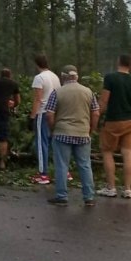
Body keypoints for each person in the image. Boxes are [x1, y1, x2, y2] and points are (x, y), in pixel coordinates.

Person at [44, 66, 99, 206]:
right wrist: (91, 129)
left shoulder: (57, 92)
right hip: (83, 133)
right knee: (85, 165)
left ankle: (62, 196)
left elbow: (49, 114)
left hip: (62, 133)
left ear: (63, 77)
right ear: (77, 76)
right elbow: (96, 112)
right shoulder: (88, 92)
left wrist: (53, 129)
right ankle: (89, 197)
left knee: (62, 165)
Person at [97, 53, 131, 199]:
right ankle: (127, 189)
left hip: (114, 120)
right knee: (127, 152)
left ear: (118, 62)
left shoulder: (110, 78)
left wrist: (96, 115)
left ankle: (111, 187)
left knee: (107, 152)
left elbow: (104, 101)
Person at [29, 53, 61, 184]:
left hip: (42, 112)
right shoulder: (55, 76)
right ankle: (63, 171)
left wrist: (32, 116)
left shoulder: (39, 78)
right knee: (54, 142)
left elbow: (38, 98)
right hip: (54, 112)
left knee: (41, 143)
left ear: (36, 64)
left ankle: (43, 174)